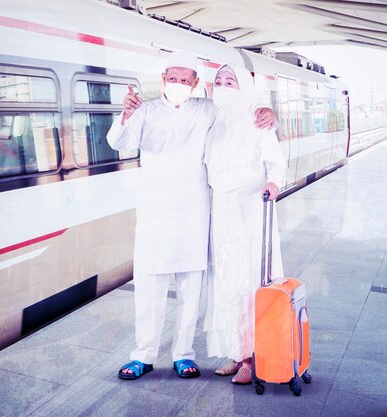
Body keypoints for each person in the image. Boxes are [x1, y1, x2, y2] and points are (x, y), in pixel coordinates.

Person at [106, 51, 276, 380]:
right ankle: (143, 355)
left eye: (186, 80)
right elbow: (118, 142)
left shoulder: (208, 109)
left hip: (194, 212)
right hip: (155, 213)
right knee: (149, 287)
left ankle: (184, 354)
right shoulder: (145, 111)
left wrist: (269, 113)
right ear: (163, 80)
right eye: (173, 79)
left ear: (196, 83)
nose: (179, 84)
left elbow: (241, 112)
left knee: (189, 288)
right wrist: (125, 114)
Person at [203, 64, 287, 384]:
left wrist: (275, 183)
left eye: (230, 81)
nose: (223, 86)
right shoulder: (216, 118)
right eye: (219, 81)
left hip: (251, 205)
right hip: (223, 208)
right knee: (228, 280)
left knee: (251, 278)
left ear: (245, 87)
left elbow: (275, 161)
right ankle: (238, 352)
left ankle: (255, 356)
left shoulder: (257, 118)